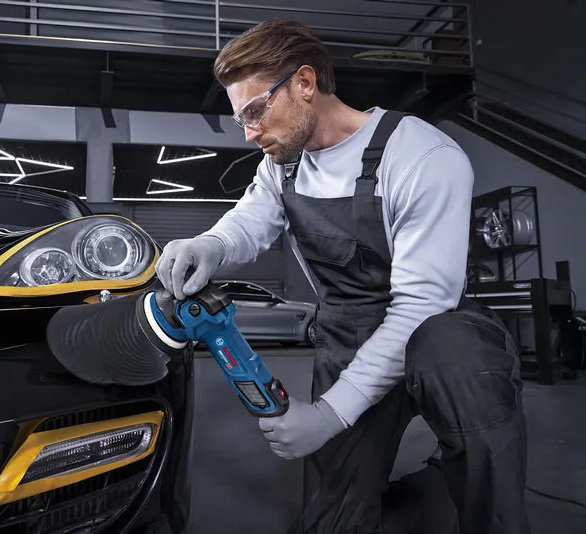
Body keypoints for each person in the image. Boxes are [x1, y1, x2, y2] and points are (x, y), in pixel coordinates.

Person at [155, 19, 530, 534]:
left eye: (255, 111)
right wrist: (210, 245)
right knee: (333, 522)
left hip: (436, 331)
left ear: (305, 83)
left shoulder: (421, 155)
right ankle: (433, 492)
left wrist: (329, 414)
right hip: (347, 335)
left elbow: (423, 304)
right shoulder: (281, 166)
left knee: (455, 358)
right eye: (240, 118)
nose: (249, 133)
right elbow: (249, 222)